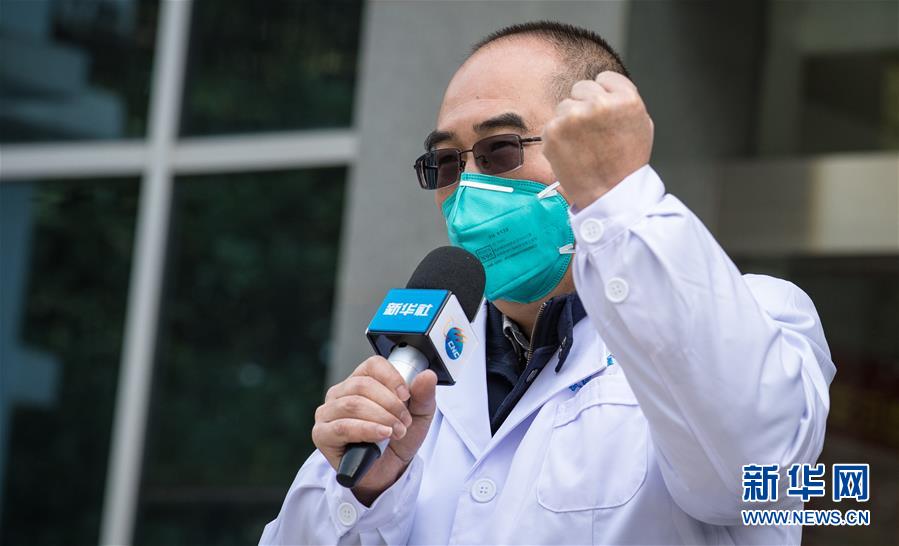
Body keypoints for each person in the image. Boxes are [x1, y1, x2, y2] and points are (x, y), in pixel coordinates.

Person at [260, 21, 835, 545]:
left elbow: (751, 477)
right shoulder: (418, 369)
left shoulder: (763, 314)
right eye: (448, 163)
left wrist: (619, 196)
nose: (467, 189)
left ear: (592, 144)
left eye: (500, 150)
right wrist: (367, 494)